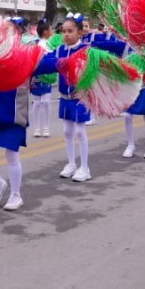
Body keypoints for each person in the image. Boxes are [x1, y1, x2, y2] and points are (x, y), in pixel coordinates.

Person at [50, 15, 92, 182]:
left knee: (80, 131)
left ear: (79, 32)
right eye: (63, 31)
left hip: (80, 97)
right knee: (67, 131)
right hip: (64, 97)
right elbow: (46, 61)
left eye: (70, 31)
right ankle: (71, 164)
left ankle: (85, 168)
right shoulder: (59, 50)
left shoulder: (85, 50)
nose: (66, 34)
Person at [30, 21, 54, 138]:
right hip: (37, 75)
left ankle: (46, 128)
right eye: (51, 29)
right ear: (45, 32)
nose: (53, 32)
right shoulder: (36, 44)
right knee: (37, 102)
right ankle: (36, 128)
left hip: (47, 76)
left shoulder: (50, 45)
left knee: (46, 101)